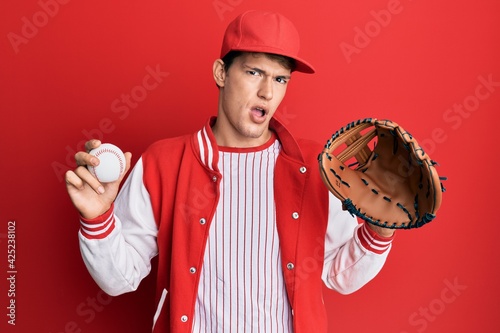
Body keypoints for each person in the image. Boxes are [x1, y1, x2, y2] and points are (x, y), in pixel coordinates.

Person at [65, 9, 395, 333]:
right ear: (221, 73)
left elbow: (340, 274)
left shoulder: (314, 166)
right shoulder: (162, 163)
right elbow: (119, 280)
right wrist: (98, 218)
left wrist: (380, 231)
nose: (267, 92)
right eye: (254, 73)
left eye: (280, 79)